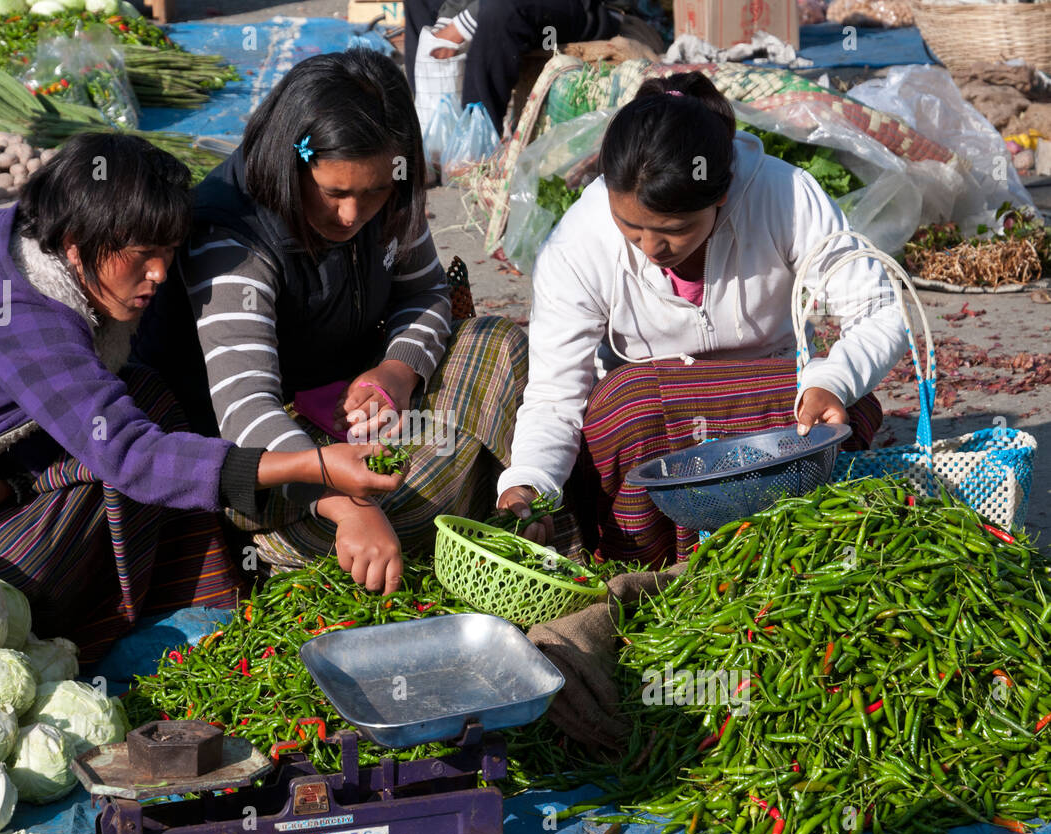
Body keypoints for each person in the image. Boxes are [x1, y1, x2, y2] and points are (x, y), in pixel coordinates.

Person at [0, 133, 401, 662]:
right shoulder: (24, 321)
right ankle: (94, 631)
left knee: (146, 394)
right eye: (142, 255)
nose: (159, 274)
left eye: (169, 252)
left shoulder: (25, 246)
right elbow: (132, 457)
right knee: (105, 481)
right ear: (76, 247)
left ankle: (192, 595)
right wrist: (313, 467)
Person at [134, 49, 528, 594]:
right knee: (408, 504)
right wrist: (345, 504)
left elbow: (427, 291)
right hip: (269, 458)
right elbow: (246, 410)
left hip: (354, 403)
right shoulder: (231, 242)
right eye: (334, 192)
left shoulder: (388, 195)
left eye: (371, 193)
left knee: (501, 343)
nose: (351, 215)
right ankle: (357, 530)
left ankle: (467, 491)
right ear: (291, 163)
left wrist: (397, 370)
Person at [495, 72, 908, 566]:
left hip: (768, 405)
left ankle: (765, 558)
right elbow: (555, 395)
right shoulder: (576, 244)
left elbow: (877, 309)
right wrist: (529, 482)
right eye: (630, 228)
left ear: (721, 193)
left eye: (674, 229)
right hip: (651, 423)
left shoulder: (785, 195)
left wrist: (833, 382)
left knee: (849, 409)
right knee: (625, 405)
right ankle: (647, 568)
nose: (651, 249)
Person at [404, 0, 667, 132]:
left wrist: (461, 25)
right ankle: (429, 134)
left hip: (588, 8)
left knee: (500, 10)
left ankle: (476, 139)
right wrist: (445, 21)